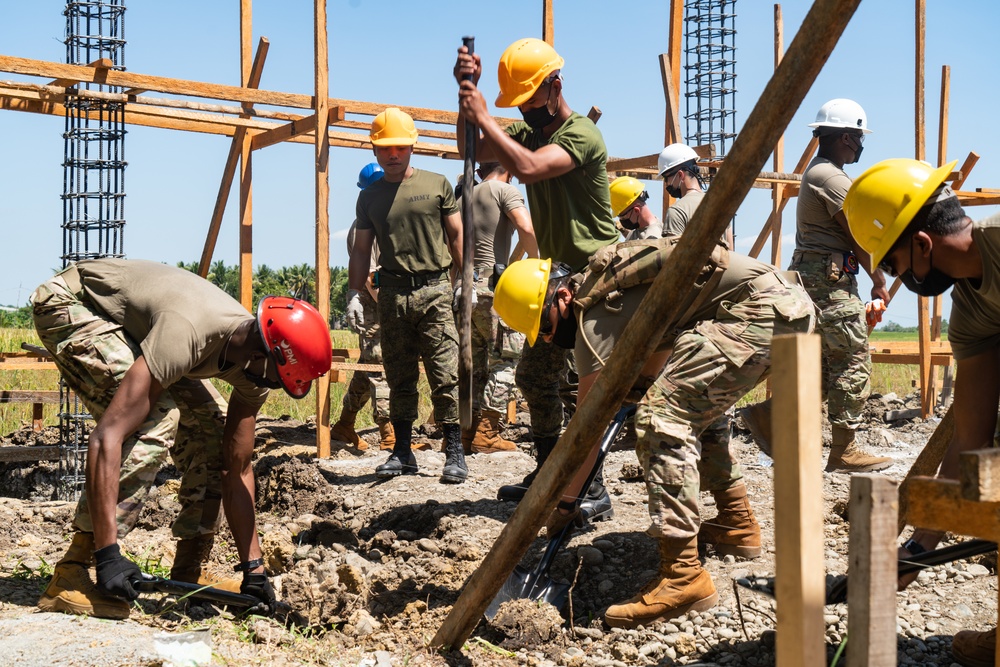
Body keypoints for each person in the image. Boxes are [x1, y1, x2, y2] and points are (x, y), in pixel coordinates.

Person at [493, 244, 816, 628]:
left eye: (544, 327)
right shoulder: (614, 289)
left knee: (662, 416)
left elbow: (586, 430)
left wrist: (563, 508)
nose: (548, 339)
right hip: (784, 307)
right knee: (685, 403)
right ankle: (735, 523)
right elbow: (653, 371)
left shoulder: (591, 317)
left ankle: (683, 578)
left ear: (563, 296)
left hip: (762, 312)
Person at [30, 259, 332, 619]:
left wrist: (254, 570)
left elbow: (238, 466)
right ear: (258, 354)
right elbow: (105, 436)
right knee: (156, 419)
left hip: (136, 328)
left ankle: (189, 572)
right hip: (70, 304)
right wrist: (109, 557)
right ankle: (72, 569)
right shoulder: (188, 331)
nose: (270, 388)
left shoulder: (255, 365)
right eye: (274, 380)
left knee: (214, 430)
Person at [454, 37, 621, 517]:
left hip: (597, 275)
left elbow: (525, 169)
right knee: (534, 375)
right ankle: (552, 470)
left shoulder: (581, 134)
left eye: (530, 99)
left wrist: (485, 113)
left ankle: (590, 484)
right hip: (557, 279)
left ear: (556, 86)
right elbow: (473, 145)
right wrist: (467, 93)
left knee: (588, 388)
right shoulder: (529, 132)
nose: (524, 111)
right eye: (517, 103)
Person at [844, 156, 994, 667]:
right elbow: (971, 441)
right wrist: (921, 545)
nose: (897, 279)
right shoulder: (973, 315)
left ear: (923, 245)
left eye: (892, 266)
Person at [740, 98, 891, 473]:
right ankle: (844, 452)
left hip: (821, 276)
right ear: (844, 137)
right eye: (858, 137)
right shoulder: (830, 177)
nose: (860, 145)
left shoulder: (821, 173)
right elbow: (856, 234)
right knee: (853, 360)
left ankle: (769, 416)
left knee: (823, 367)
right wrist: (879, 281)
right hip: (829, 282)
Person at [348, 107, 468, 483]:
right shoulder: (369, 197)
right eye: (385, 148)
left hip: (434, 290)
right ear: (374, 150)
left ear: (412, 146)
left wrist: (465, 280)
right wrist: (354, 293)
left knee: (444, 373)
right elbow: (361, 250)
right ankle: (402, 451)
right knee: (398, 375)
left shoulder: (437, 184)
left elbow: (457, 235)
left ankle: (454, 451)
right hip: (392, 294)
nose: (393, 154)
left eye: (400, 146)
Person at [460, 161, 539, 453]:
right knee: (508, 360)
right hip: (493, 289)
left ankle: (467, 434)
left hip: (464, 290)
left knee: (476, 366)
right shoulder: (505, 190)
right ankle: (488, 433)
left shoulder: (463, 195)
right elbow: (525, 226)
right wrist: (535, 264)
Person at [331, 162, 396, 452]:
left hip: (382, 304)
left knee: (366, 368)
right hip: (375, 307)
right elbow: (371, 277)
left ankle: (345, 424)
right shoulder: (363, 227)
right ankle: (389, 434)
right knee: (379, 367)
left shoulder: (382, 220)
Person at [657, 143, 734, 249]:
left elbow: (671, 259)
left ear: (680, 175)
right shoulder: (720, 205)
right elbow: (730, 253)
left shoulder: (677, 211)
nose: (666, 184)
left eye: (666, 178)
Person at [609, 176, 662, 240]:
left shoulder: (653, 237)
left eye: (623, 217)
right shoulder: (638, 231)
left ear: (636, 210)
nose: (621, 221)